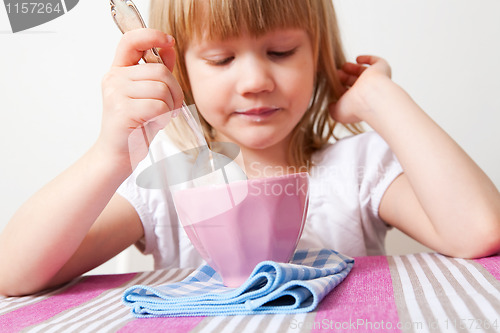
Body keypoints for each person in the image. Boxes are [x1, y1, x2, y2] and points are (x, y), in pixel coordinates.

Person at [1, 0, 499, 297]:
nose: (256, 80)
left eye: (280, 52)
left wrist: (380, 98)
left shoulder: (357, 166)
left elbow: (479, 231)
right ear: (181, 72)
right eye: (220, 59)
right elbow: (14, 272)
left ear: (318, 55)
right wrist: (110, 155)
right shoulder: (170, 177)